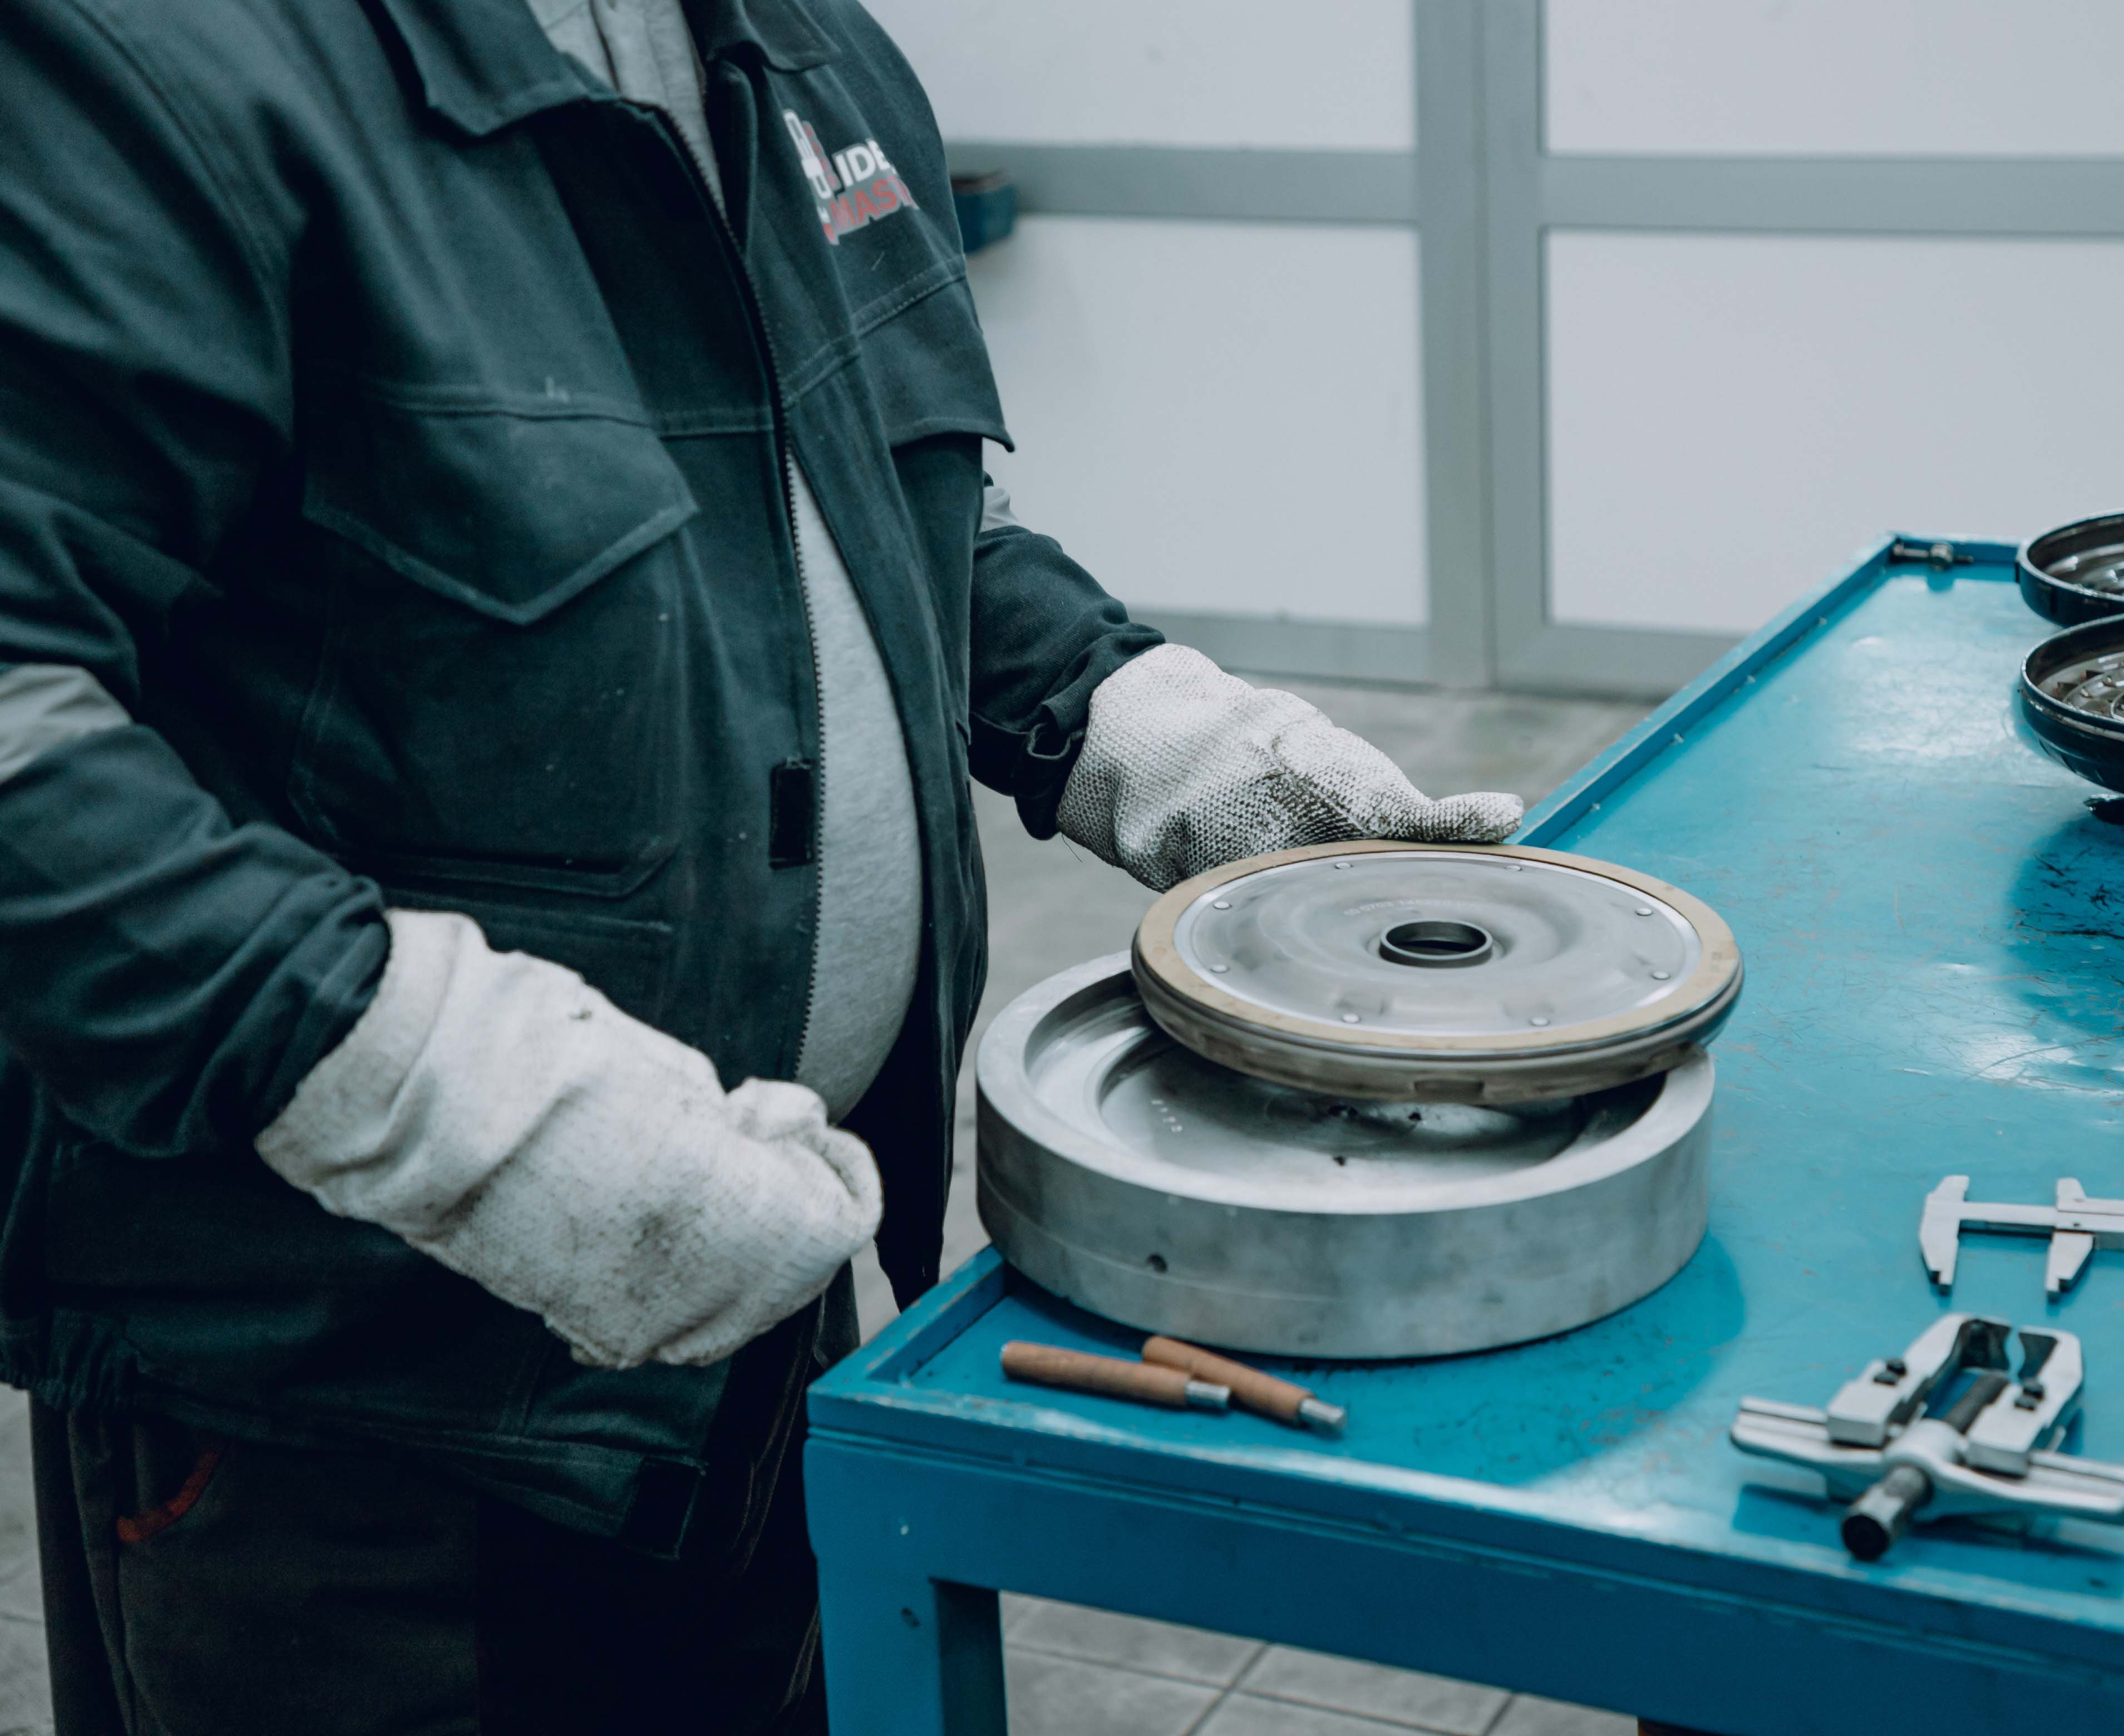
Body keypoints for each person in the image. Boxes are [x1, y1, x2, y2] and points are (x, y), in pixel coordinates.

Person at [0, 0, 1521, 1728]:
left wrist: (1140, 725)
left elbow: (867, 520)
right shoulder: (146, 63)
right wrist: (441, 1094)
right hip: (350, 1435)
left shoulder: (800, 53)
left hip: (758, 1304)